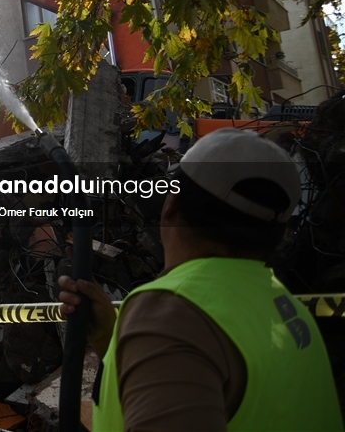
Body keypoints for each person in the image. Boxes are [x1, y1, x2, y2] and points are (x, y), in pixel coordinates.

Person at [58, 128, 343, 431]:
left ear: (172, 206)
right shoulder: (289, 313)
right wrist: (109, 340)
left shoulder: (171, 314)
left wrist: (150, 334)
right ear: (275, 235)